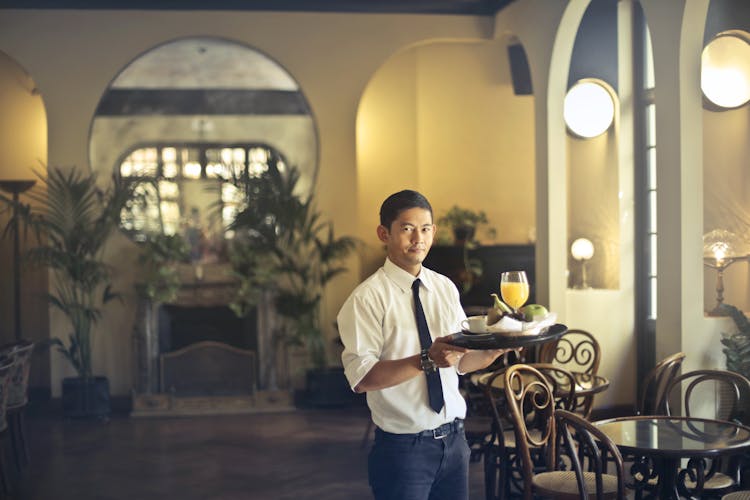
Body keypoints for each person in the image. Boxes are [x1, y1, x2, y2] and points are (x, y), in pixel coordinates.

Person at [337, 189, 506, 500]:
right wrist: (426, 359)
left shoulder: (444, 288)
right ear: (384, 233)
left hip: (455, 443)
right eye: (407, 228)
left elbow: (461, 363)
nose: (418, 238)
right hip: (403, 451)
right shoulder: (366, 298)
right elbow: (362, 379)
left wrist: (498, 348)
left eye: (425, 229)